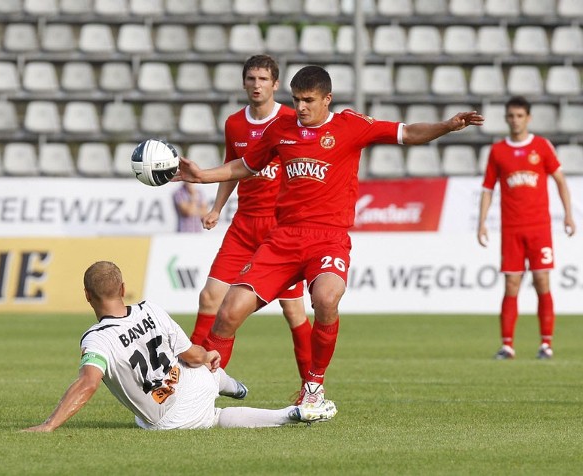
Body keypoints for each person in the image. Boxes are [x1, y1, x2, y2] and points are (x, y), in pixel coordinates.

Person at [173, 65, 484, 408]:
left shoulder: (350, 125)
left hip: (328, 237)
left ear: (327, 99)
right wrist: (201, 176)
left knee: (326, 298)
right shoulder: (281, 129)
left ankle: (314, 385)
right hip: (283, 239)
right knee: (229, 310)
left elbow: (407, 133)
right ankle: (199, 392)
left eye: (308, 100)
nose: (301, 107)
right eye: (297, 100)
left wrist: (446, 126)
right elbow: (245, 166)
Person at [22, 261, 337, 432]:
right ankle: (233, 385)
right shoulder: (151, 310)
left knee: (209, 418)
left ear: (87, 296)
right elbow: (192, 355)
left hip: (169, 419)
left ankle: (286, 414)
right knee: (202, 363)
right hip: (191, 382)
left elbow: (89, 382)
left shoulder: (97, 338)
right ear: (122, 288)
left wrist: (50, 425)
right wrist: (209, 357)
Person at [190, 55, 312, 383]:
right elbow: (233, 166)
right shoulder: (234, 123)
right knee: (210, 297)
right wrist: (217, 208)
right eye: (251, 79)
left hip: (280, 229)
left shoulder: (291, 119)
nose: (256, 85)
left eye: (263, 79)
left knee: (293, 311)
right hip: (244, 225)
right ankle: (190, 382)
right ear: (244, 82)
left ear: (275, 85)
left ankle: (312, 386)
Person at [477, 96, 575, 360]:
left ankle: (546, 344)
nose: (515, 120)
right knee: (511, 284)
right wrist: (482, 222)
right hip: (512, 229)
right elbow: (488, 189)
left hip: (539, 227)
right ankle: (507, 345)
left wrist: (568, 215)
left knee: (542, 280)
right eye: (511, 116)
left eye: (520, 115)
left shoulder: (542, 146)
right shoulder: (498, 151)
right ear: (506, 118)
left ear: (528, 118)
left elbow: (560, 181)